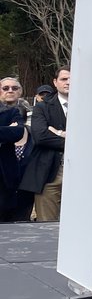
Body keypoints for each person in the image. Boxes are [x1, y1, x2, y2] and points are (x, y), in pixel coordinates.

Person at [20, 67, 70, 222]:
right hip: (50, 173)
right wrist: (75, 141)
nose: (68, 82)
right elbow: (41, 136)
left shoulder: (90, 107)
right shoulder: (42, 106)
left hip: (81, 173)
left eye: (73, 79)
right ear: (55, 82)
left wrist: (58, 133)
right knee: (47, 225)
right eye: (64, 79)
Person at [0, 77, 34, 221]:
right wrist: (6, 131)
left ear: (20, 91)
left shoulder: (14, 113)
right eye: (6, 88)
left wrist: (10, 132)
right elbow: (11, 133)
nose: (10, 91)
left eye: (14, 88)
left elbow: (18, 132)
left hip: (12, 183)